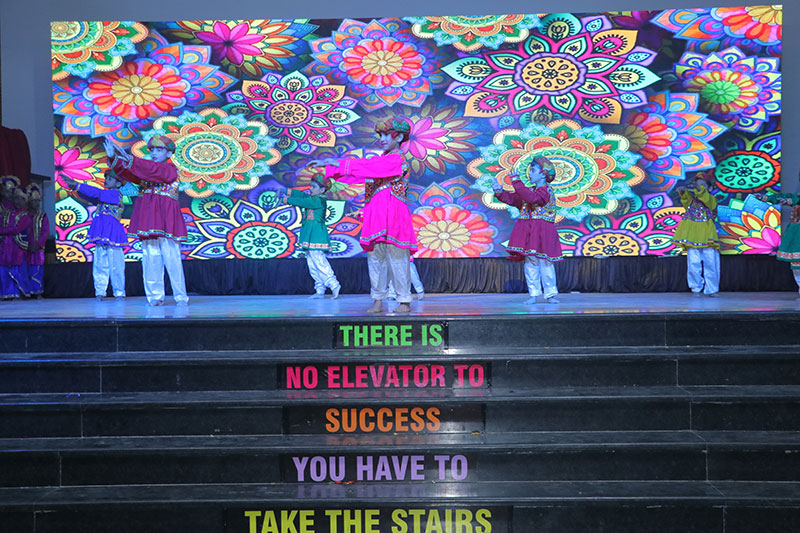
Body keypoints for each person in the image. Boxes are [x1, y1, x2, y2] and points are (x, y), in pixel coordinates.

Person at [314, 118, 417, 313]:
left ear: (399, 137)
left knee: (397, 258)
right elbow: (359, 173)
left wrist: (337, 163)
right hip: (377, 215)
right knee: (375, 259)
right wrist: (331, 168)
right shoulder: (381, 161)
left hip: (394, 215)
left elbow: (371, 167)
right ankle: (378, 299)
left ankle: (404, 301)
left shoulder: (396, 159)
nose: (382, 139)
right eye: (381, 135)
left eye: (387, 135)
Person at [106, 135, 188, 306]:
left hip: (165, 218)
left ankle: (180, 296)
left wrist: (130, 159)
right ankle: (155, 296)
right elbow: (129, 173)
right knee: (151, 257)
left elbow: (154, 171)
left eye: (159, 150)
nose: (154, 153)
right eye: (152, 150)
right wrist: (114, 158)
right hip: (150, 217)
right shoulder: (147, 171)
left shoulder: (169, 169)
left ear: (169, 153)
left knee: (172, 258)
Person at [492, 156, 562, 304]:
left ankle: (550, 294)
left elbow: (533, 198)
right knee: (531, 261)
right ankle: (533, 293)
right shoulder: (528, 191)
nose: (529, 173)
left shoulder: (546, 190)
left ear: (543, 174)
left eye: (533, 170)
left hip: (542, 231)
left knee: (545, 262)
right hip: (530, 230)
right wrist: (499, 191)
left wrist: (516, 181)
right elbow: (514, 200)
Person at [62, 171, 127, 301]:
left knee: (116, 265)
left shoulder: (115, 194)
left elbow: (97, 193)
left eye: (110, 179)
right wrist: (74, 187)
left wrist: (77, 185)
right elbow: (90, 197)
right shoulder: (105, 196)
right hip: (102, 233)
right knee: (99, 263)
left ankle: (119, 292)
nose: (106, 180)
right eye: (106, 178)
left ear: (118, 184)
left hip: (112, 233)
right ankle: (100, 291)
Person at [280, 174, 341, 299]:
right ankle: (320, 289)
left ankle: (333, 284)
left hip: (316, 234)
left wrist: (286, 200)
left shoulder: (319, 200)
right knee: (312, 263)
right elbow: (302, 195)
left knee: (318, 260)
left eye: (314, 187)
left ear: (322, 190)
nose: (311, 189)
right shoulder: (313, 198)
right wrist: (285, 191)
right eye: (311, 186)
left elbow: (303, 201)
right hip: (310, 234)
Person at [672, 173, 720, 297]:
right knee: (693, 265)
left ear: (710, 188)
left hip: (708, 237)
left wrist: (700, 190)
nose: (699, 188)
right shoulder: (692, 202)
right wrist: (683, 192)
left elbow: (706, 198)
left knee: (711, 264)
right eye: (697, 186)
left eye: (703, 185)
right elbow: (686, 200)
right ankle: (696, 288)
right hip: (692, 237)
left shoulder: (712, 200)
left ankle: (712, 289)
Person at [760, 191, 800, 298]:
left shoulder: (795, 198)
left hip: (796, 234)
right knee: (796, 266)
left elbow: (794, 200)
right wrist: (764, 197)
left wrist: (788, 201)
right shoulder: (795, 196)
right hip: (796, 235)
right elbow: (779, 197)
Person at [0, 185, 32, 299]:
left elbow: (16, 229)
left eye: (21, 199)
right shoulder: (8, 214)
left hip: (17, 247)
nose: (18, 201)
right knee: (4, 269)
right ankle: (7, 293)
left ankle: (21, 293)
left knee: (18, 270)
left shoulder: (26, 215)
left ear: (25, 201)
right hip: (5, 247)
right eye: (16, 198)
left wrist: (2, 231)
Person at [25, 183, 48, 298]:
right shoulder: (23, 215)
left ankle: (38, 292)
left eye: (38, 201)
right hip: (25, 248)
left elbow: (45, 232)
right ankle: (27, 293)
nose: (37, 203)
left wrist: (38, 245)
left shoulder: (42, 216)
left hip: (38, 249)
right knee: (26, 270)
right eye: (34, 201)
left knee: (37, 270)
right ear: (29, 201)